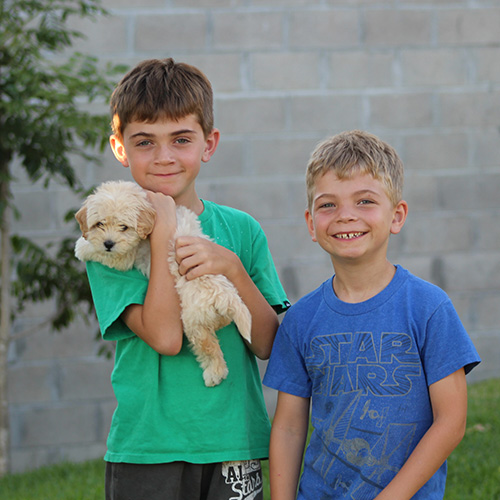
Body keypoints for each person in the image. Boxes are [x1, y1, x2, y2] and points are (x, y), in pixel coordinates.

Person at [84, 58, 290, 500]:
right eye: (144, 142)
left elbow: (269, 345)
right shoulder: (110, 240)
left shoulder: (242, 230)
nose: (164, 157)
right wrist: (162, 234)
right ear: (120, 148)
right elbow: (166, 338)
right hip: (149, 448)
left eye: (180, 139)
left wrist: (232, 268)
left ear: (208, 144)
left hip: (234, 442)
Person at [263, 130, 481, 499]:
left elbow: (451, 422)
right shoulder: (301, 320)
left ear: (397, 216)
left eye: (365, 201)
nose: (346, 216)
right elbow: (288, 427)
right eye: (328, 205)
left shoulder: (429, 308)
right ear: (311, 223)